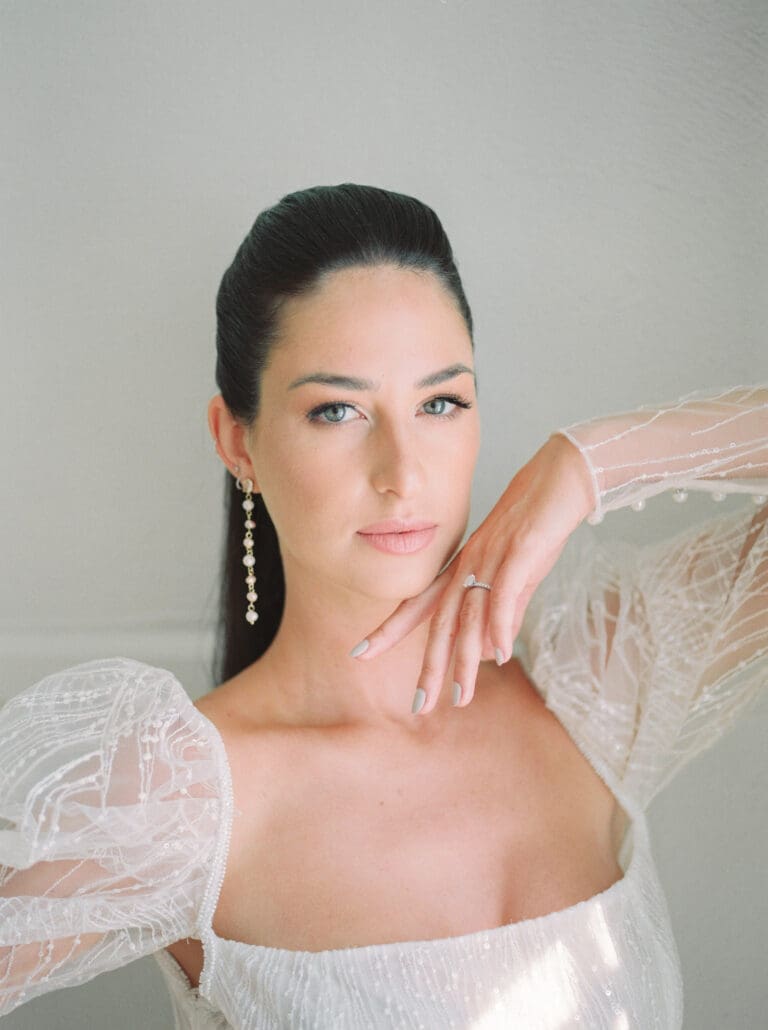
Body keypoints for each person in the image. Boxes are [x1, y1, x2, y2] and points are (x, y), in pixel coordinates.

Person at [0, 184, 766, 1030]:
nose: (403, 472)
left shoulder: (597, 674)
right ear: (236, 441)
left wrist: (589, 466)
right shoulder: (181, 803)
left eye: (441, 402)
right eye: (338, 410)